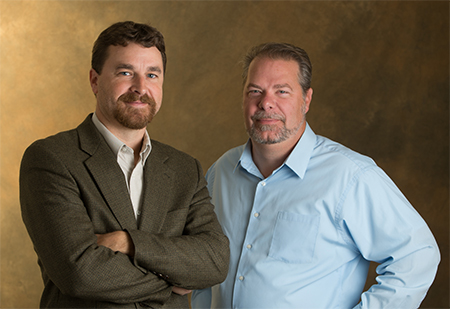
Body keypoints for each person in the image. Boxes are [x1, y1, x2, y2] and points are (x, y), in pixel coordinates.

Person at [191, 42, 440, 308]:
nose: (266, 103)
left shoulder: (350, 176)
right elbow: (206, 262)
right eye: (255, 91)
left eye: (282, 91)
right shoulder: (221, 172)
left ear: (306, 100)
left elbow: (417, 255)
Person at [20, 21, 229, 308]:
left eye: (152, 74)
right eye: (126, 72)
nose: (141, 88)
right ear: (95, 80)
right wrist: (172, 282)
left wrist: (128, 243)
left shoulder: (184, 169)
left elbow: (215, 261)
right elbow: (80, 273)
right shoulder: (51, 159)